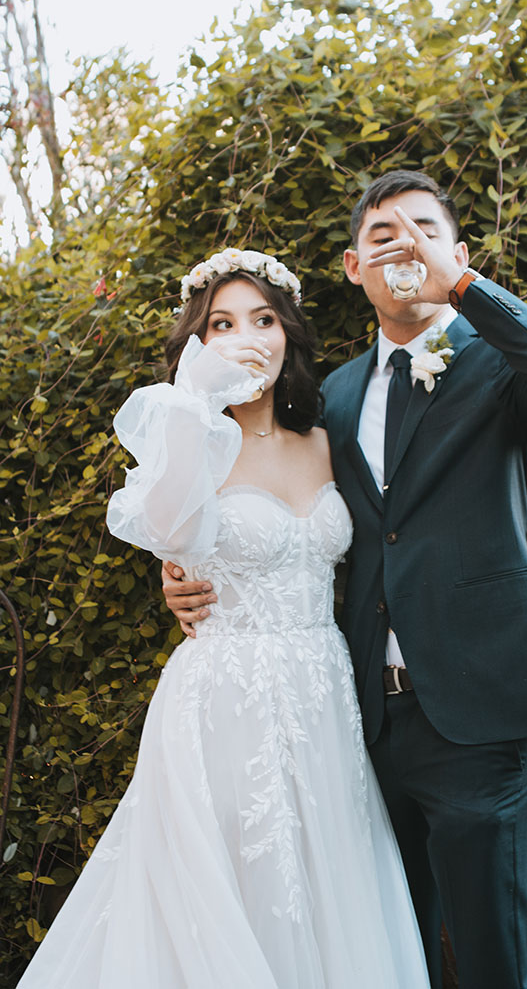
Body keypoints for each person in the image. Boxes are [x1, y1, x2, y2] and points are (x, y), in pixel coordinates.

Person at [163, 172, 527, 988]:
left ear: (456, 250)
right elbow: (260, 511)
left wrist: (466, 290)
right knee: (388, 951)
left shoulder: (502, 368)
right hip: (362, 725)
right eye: (383, 233)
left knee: (492, 957)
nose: (403, 243)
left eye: (423, 228)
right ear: (351, 266)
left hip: (483, 717)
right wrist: (188, 574)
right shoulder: (330, 400)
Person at [17, 248, 431, 989]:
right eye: (223, 324)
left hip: (325, 691)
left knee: (328, 882)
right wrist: (193, 401)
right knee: (235, 880)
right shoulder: (193, 440)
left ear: (289, 334)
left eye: (264, 319)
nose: (248, 337)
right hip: (225, 698)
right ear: (198, 344)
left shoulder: (329, 441)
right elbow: (173, 530)